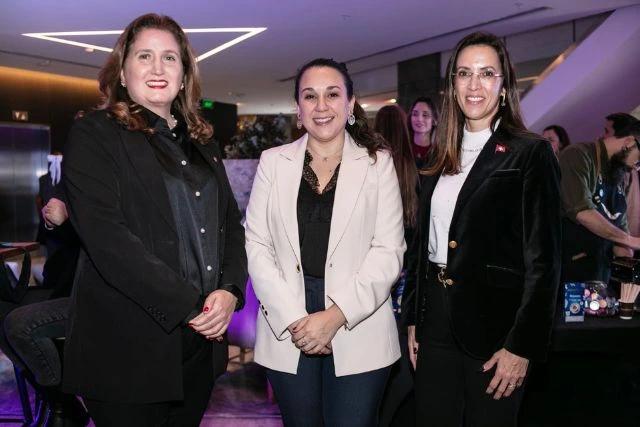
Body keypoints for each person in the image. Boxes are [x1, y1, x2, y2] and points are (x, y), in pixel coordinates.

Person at [61, 13, 247, 427]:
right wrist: (192, 305)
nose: (158, 68)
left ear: (184, 75)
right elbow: (109, 240)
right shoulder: (96, 134)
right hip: (127, 348)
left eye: (169, 58)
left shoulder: (203, 142)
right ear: (122, 72)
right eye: (144, 56)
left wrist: (231, 290)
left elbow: (230, 226)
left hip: (200, 343)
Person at [401, 31, 562, 426]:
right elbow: (421, 246)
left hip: (496, 328)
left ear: (504, 86)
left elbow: (544, 263)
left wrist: (521, 346)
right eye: (464, 73)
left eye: (486, 73)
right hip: (435, 322)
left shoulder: (530, 152)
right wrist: (413, 317)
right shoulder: (441, 153)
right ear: (452, 85)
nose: (474, 85)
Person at [245, 58, 405, 426]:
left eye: (332, 95)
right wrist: (296, 321)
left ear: (350, 105)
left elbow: (389, 251)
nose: (321, 106)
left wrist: (334, 317)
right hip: (288, 322)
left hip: (358, 320)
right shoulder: (272, 162)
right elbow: (256, 244)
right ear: (298, 109)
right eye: (310, 96)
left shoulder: (378, 164)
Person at [1, 153, 86, 426]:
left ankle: (62, 405)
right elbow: (56, 243)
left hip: (91, 295)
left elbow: (105, 238)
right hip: (64, 285)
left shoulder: (110, 182)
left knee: (18, 324)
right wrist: (53, 220)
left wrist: (67, 219)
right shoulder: (69, 183)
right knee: (2, 312)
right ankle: (57, 400)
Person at [374, 104, 418, 426]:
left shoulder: (371, 165)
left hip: (379, 266)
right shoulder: (414, 168)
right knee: (402, 340)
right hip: (406, 268)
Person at [559, 116, 640, 282]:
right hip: (569, 275)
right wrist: (630, 240)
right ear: (629, 142)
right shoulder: (578, 155)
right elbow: (581, 211)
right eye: (639, 159)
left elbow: (620, 232)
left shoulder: (619, 174)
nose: (636, 166)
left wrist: (627, 252)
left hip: (600, 277)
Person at [407, 96, 439, 167]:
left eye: (425, 115)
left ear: (434, 120)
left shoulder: (440, 153)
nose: (419, 119)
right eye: (415, 114)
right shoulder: (402, 149)